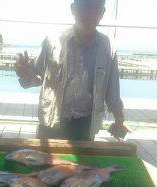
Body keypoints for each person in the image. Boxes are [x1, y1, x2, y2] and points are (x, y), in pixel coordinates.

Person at [15, 0, 124, 141]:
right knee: (46, 162)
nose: (89, 13)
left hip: (86, 125)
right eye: (85, 6)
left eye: (95, 8)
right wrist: (24, 74)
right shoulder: (52, 41)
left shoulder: (108, 48)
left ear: (102, 13)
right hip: (51, 120)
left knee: (83, 162)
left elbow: (112, 91)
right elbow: (36, 76)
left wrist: (119, 119)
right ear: (73, 9)